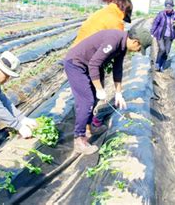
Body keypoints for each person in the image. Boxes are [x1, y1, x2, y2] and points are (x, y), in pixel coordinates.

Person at [63, 27, 152, 155]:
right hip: (76, 64)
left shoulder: (122, 46)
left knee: (93, 97)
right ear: (135, 42)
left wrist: (118, 93)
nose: (138, 51)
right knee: (86, 100)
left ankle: (89, 126)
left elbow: (117, 69)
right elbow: (94, 64)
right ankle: (79, 138)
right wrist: (99, 89)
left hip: (89, 64)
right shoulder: (114, 40)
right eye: (140, 48)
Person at [151, 0, 175, 72]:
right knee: (162, 49)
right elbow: (155, 23)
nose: (168, 8)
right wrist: (152, 32)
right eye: (166, 7)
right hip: (160, 35)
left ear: (172, 7)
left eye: (169, 7)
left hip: (169, 36)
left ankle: (161, 65)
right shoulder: (161, 14)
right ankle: (157, 63)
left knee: (167, 51)